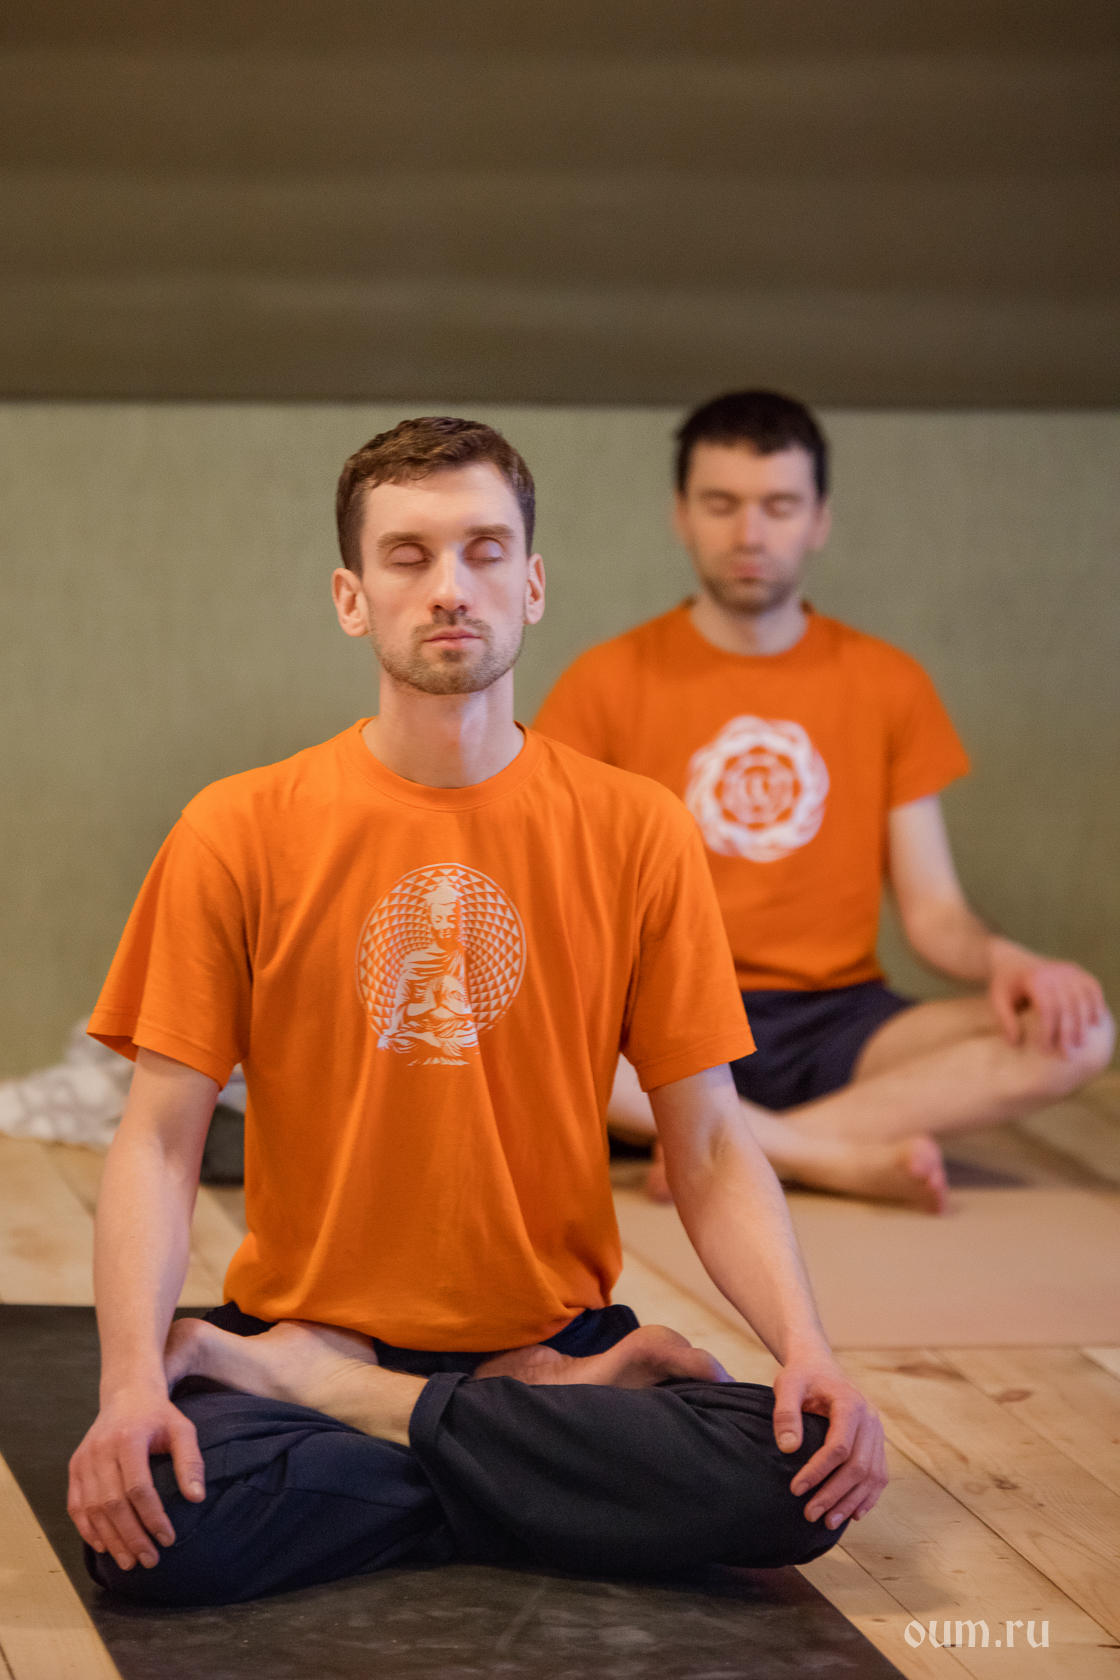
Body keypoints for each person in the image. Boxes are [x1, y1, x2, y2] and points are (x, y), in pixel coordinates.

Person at [66, 417, 886, 1608]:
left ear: (533, 584)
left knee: (794, 1481)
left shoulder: (637, 830)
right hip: (312, 1323)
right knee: (154, 1529)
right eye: (407, 556)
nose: (449, 586)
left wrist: (808, 1350)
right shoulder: (235, 829)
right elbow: (154, 1141)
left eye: (484, 550)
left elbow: (709, 1142)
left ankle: (380, 1412)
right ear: (351, 598)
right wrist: (132, 1383)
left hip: (539, 1339)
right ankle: (527, 1443)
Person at [535, 391, 1113, 1213]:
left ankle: (741, 1147)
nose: (750, 534)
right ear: (681, 515)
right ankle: (825, 1155)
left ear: (819, 519)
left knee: (1081, 1033)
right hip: (664, 1021)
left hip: (837, 1025)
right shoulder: (606, 681)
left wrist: (1009, 961)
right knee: (510, 1014)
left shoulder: (887, 682)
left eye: (779, 506)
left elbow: (935, 915)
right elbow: (560, 902)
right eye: (722, 504)